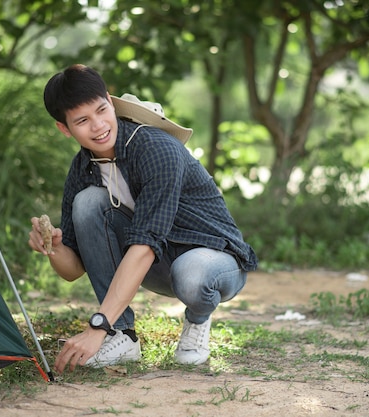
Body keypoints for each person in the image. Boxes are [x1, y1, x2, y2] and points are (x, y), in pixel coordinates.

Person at [28, 64, 258, 374]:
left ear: (110, 101)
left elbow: (145, 245)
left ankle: (197, 319)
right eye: (82, 121)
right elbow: (74, 270)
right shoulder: (82, 169)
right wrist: (54, 248)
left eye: (101, 110)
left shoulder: (156, 148)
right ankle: (122, 335)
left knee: (191, 275)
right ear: (64, 128)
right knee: (88, 202)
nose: (98, 126)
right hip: (159, 265)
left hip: (215, 260)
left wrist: (97, 325)